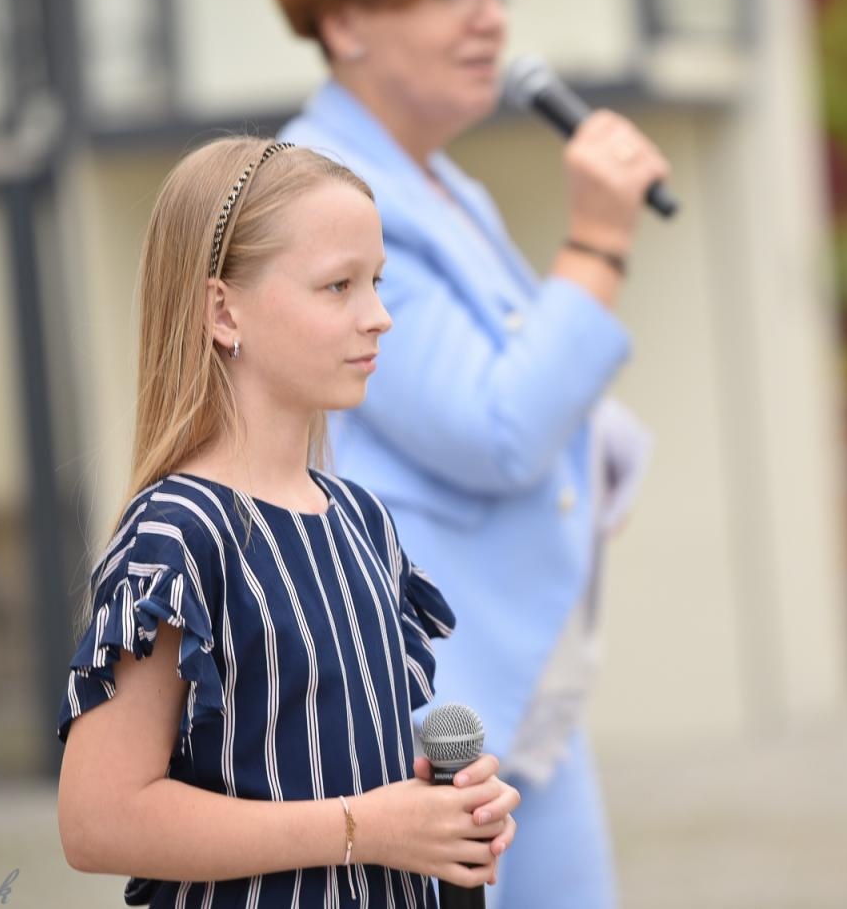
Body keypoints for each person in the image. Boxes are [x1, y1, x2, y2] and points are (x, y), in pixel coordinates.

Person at [274, 0, 666, 907]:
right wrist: (596, 240)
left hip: (515, 696)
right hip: (422, 725)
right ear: (346, 20)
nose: (490, 18)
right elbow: (497, 429)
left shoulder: (438, 183)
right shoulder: (322, 195)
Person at [55, 138, 519, 908]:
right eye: (338, 286)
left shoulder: (360, 521)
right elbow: (98, 820)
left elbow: (317, 766)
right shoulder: (178, 534)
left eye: (376, 282)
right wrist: (359, 829)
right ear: (223, 310)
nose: (379, 317)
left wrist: (436, 810)